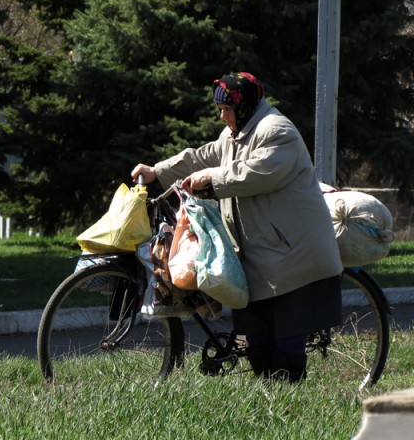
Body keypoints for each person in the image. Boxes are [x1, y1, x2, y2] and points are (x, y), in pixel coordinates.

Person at [131, 72, 343, 383]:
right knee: (256, 337)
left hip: (291, 251)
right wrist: (157, 171)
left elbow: (257, 173)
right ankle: (270, 394)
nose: (221, 115)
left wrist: (212, 180)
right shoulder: (236, 132)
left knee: (286, 334)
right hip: (262, 250)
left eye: (226, 108)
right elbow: (202, 156)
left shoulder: (276, 130)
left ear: (244, 105)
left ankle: (291, 395)